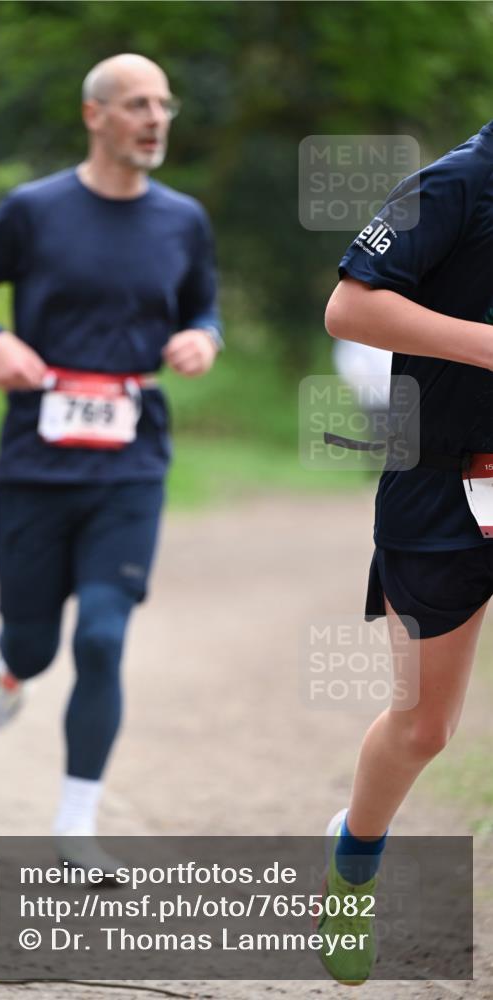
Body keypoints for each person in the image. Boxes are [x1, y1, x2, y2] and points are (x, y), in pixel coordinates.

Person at [0, 53, 222, 868]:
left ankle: (74, 825)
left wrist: (203, 335)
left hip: (131, 459)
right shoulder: (33, 210)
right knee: (35, 645)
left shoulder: (184, 220)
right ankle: (9, 666)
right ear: (94, 114)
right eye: (137, 103)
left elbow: (203, 302)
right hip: (35, 457)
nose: (156, 117)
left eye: (165, 104)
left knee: (101, 638)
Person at [318, 121, 493, 984]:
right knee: (425, 727)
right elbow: (349, 307)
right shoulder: (459, 181)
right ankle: (351, 863)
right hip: (442, 482)